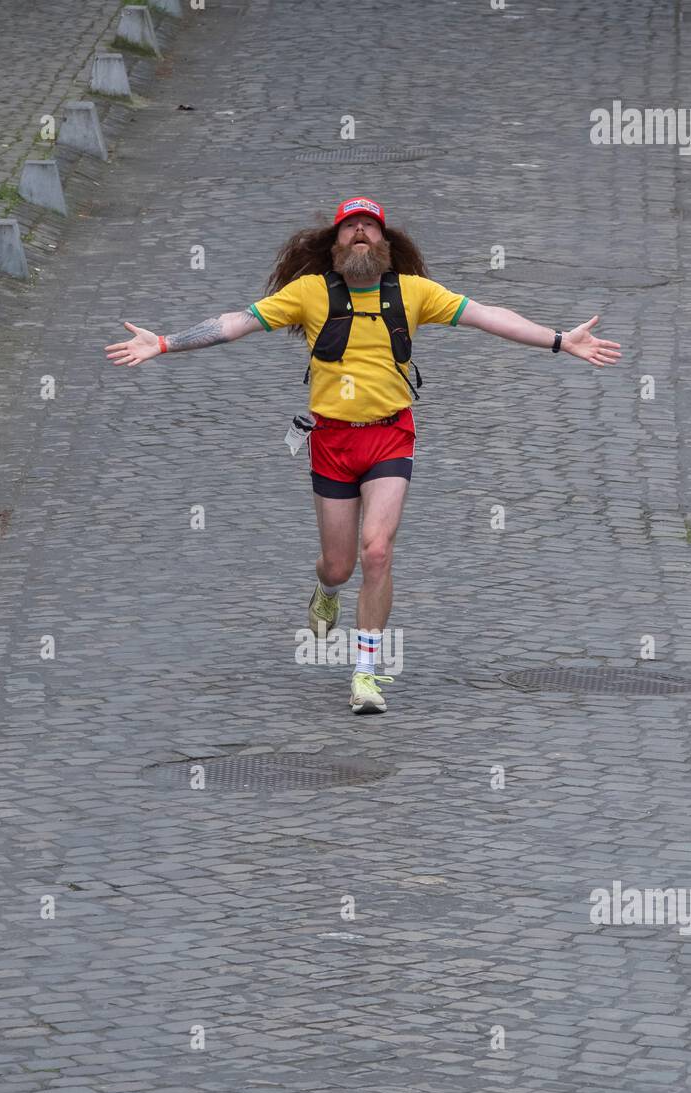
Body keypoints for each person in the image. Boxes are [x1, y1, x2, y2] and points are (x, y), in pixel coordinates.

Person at [105, 195, 621, 713]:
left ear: (386, 247)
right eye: (349, 228)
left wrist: (558, 340)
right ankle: (326, 591)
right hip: (330, 442)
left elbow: (487, 316)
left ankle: (366, 673)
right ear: (333, 250)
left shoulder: (413, 293)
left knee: (377, 550)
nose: (359, 234)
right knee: (339, 564)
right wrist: (167, 343)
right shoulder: (309, 293)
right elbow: (236, 322)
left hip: (390, 437)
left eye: (369, 229)